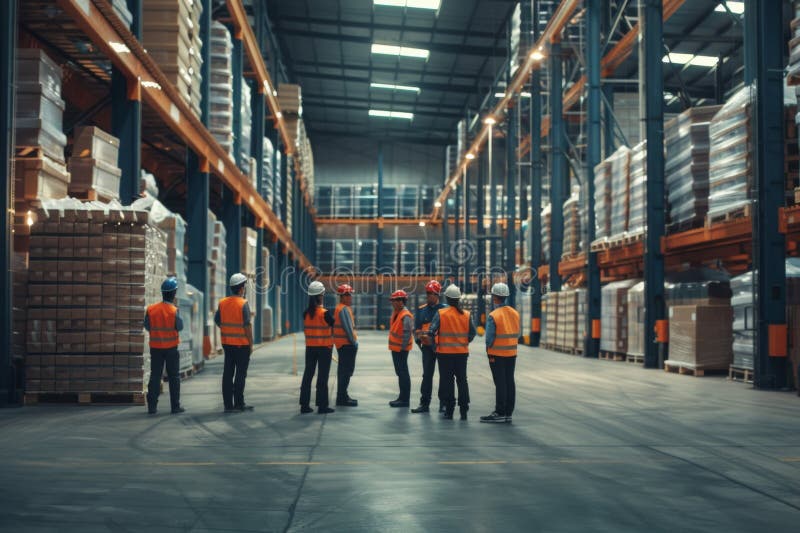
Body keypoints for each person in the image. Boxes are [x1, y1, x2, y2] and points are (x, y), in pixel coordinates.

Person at [429, 284, 476, 420]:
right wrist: (464, 343)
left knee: (447, 381)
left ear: (447, 299)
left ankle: (449, 410)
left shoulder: (441, 314)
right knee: (462, 381)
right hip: (461, 354)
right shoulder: (467, 315)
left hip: (444, 354)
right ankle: (464, 410)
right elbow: (472, 333)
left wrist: (434, 346)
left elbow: (431, 331)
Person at [481, 283, 520, 424]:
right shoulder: (515, 313)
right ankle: (508, 412)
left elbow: (489, 338)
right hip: (512, 353)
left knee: (500, 383)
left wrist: (488, 349)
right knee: (509, 381)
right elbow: (518, 333)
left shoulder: (494, 315)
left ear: (495, 297)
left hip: (496, 354)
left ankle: (500, 412)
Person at [144, 277, 184, 415]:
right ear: (174, 293)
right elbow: (180, 327)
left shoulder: (151, 309)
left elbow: (147, 326)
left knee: (155, 376)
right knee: (174, 377)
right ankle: (175, 406)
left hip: (155, 347)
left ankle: (152, 407)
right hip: (171, 348)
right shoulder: (174, 310)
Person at [215, 273, 254, 413]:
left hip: (227, 343)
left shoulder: (222, 303)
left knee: (228, 373)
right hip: (242, 344)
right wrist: (251, 343)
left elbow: (217, 320)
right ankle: (239, 403)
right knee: (240, 374)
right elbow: (247, 325)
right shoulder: (243, 304)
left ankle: (228, 405)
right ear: (242, 287)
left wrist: (226, 330)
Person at [301, 281, 336, 414]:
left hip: (310, 348)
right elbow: (334, 326)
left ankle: (304, 405)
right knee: (322, 377)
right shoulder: (325, 313)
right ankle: (322, 406)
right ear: (321, 296)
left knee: (307, 376)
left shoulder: (305, 313)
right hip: (324, 349)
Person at [411, 280, 446, 414]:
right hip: (427, 348)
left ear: (437, 294)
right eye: (427, 293)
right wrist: (420, 338)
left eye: (431, 293)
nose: (428, 296)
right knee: (427, 376)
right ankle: (424, 403)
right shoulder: (421, 310)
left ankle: (443, 403)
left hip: (442, 347)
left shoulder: (445, 309)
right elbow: (417, 330)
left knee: (444, 376)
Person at [334, 284, 359, 407]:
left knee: (344, 372)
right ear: (342, 296)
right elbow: (348, 329)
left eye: (350, 294)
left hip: (344, 345)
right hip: (347, 345)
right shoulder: (343, 309)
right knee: (345, 372)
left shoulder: (342, 308)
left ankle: (343, 395)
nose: (350, 297)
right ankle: (342, 398)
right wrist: (354, 343)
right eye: (348, 295)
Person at [388, 289, 414, 408]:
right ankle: (401, 397)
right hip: (396, 349)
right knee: (400, 373)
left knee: (403, 374)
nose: (392, 303)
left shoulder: (406, 315)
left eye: (394, 300)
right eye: (392, 300)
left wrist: (402, 348)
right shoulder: (397, 312)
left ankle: (405, 400)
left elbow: (407, 334)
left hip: (401, 350)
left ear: (401, 301)